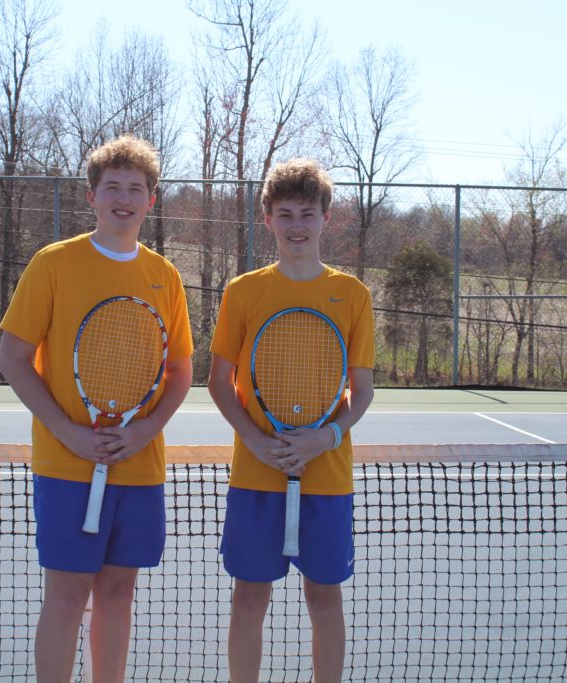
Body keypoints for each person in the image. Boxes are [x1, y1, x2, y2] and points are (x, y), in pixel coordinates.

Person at [0, 134, 193, 683]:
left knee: (118, 592)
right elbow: (13, 357)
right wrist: (68, 433)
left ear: (151, 199)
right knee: (66, 594)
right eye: (112, 187)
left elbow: (180, 372)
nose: (123, 198)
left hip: (138, 464)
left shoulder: (165, 276)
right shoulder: (54, 263)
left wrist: (146, 430)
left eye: (135, 188)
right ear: (92, 197)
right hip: (67, 467)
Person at [207, 158, 375, 683]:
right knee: (248, 600)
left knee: (324, 600)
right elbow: (218, 382)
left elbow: (362, 391)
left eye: (307, 213)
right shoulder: (243, 291)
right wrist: (257, 443)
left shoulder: (353, 295)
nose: (296, 225)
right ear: (268, 219)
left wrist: (326, 437)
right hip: (256, 476)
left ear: (326, 218)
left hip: (326, 478)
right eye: (285, 214)